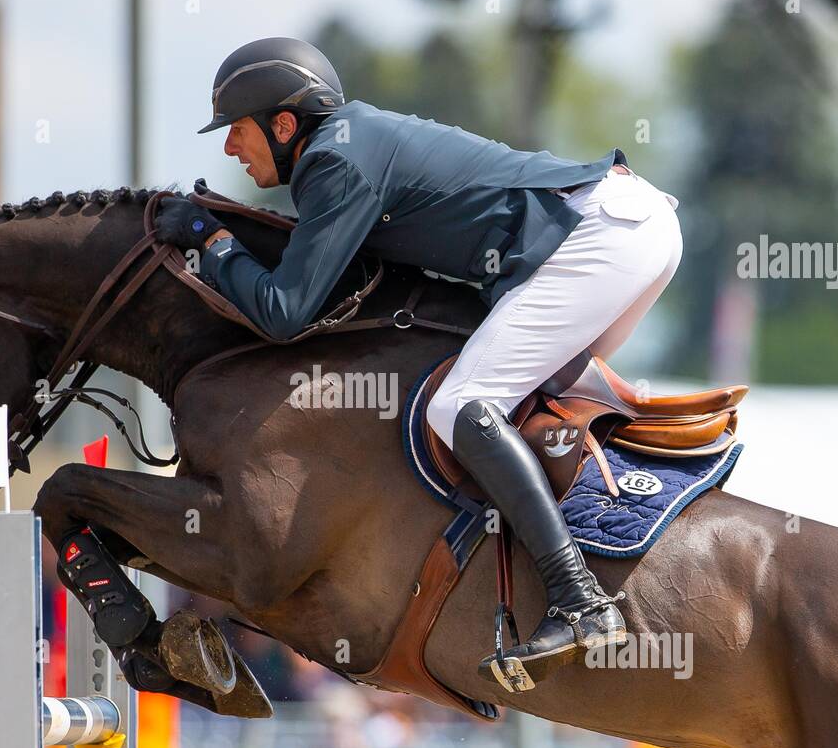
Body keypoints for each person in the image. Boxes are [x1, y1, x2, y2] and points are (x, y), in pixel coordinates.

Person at [154, 37, 682, 683]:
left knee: (459, 404)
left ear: (284, 125)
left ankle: (577, 599)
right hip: (624, 228)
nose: (230, 147)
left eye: (236, 130)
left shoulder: (334, 161)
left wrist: (210, 241)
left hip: (603, 235)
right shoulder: (347, 147)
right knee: (508, 405)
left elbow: (283, 311)